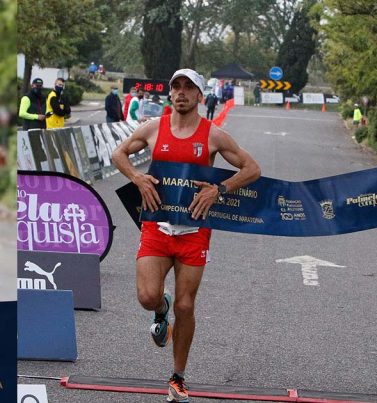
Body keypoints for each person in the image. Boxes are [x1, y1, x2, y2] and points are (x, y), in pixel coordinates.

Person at [111, 68, 260, 402]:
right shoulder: (153, 128)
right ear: (170, 95)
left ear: (199, 96)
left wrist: (219, 190)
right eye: (175, 87)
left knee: (186, 304)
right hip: (157, 226)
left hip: (194, 230)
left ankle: (177, 377)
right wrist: (137, 177)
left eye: (188, 88)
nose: (180, 92)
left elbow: (252, 169)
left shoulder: (213, 135)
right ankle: (159, 308)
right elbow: (118, 154)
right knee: (148, 297)